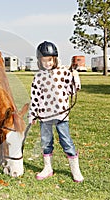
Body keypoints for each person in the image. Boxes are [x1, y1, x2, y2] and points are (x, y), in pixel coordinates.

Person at [28, 41, 84, 182]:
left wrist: (75, 77)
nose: (47, 63)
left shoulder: (64, 72)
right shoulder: (38, 77)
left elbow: (72, 90)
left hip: (61, 114)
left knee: (66, 141)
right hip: (45, 115)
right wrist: (33, 114)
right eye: (44, 60)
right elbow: (35, 97)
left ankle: (75, 170)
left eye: (50, 60)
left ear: (55, 59)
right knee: (46, 142)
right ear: (39, 61)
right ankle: (48, 168)